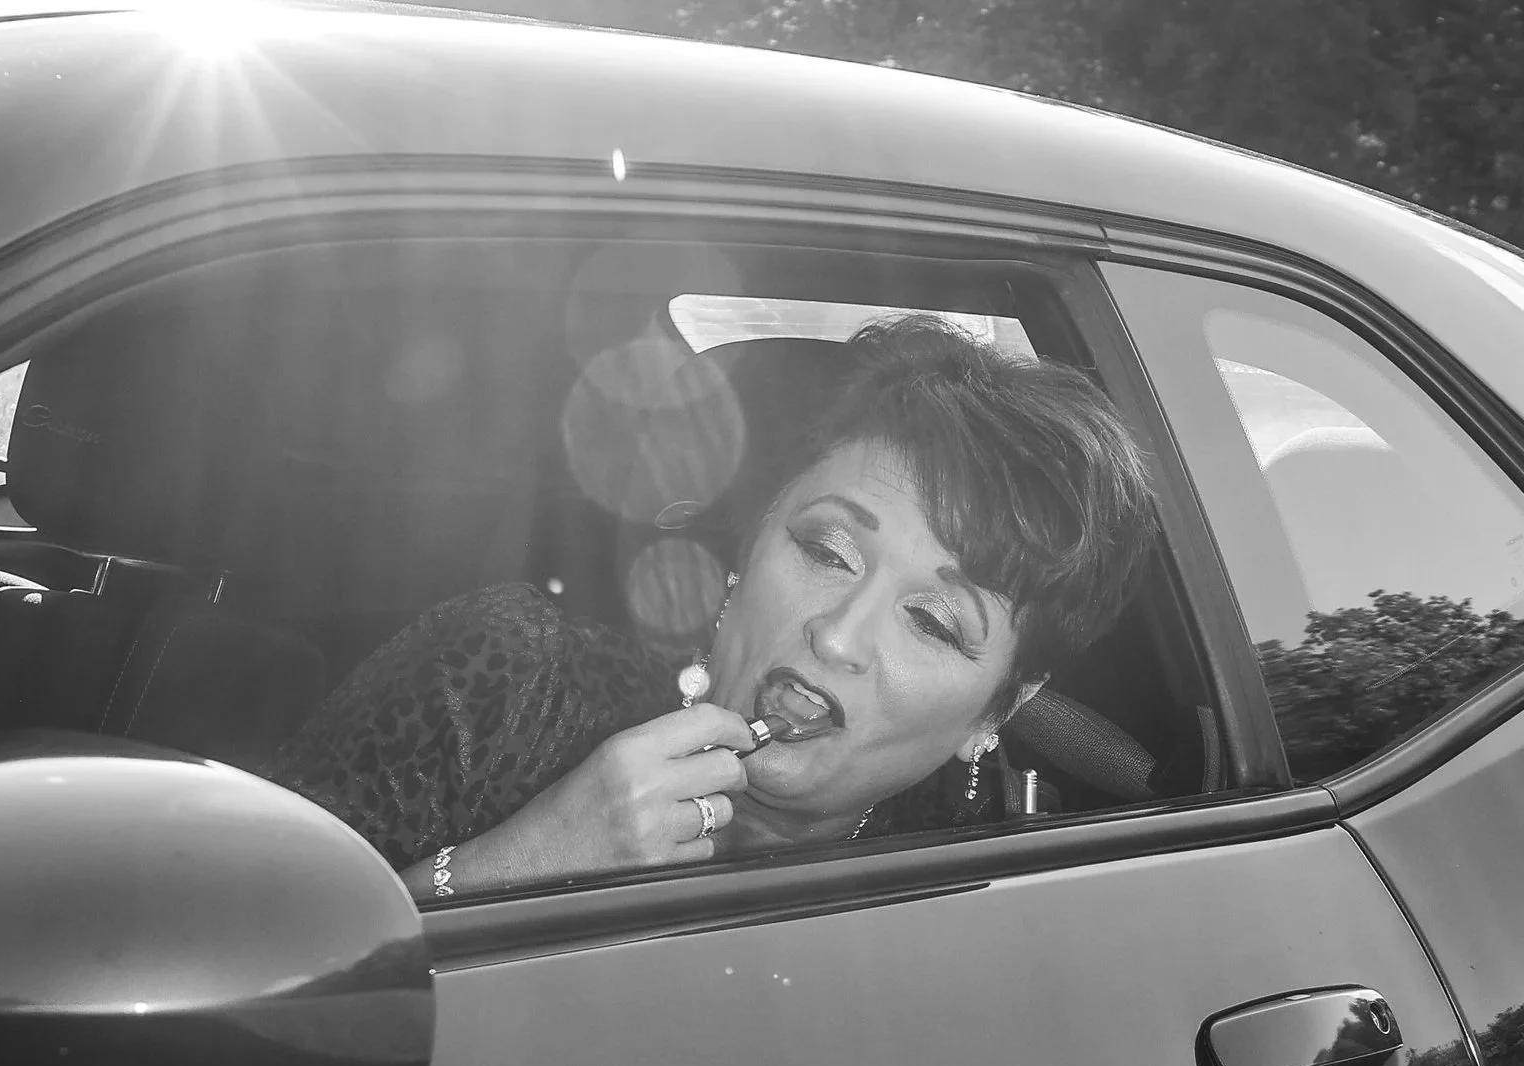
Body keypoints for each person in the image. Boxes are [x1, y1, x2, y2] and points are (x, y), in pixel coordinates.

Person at [267, 317, 1160, 900]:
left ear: (993, 714)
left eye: (933, 621)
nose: (839, 634)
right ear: (747, 552)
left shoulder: (1000, 877)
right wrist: (513, 866)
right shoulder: (498, 681)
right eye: (826, 551)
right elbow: (243, 966)